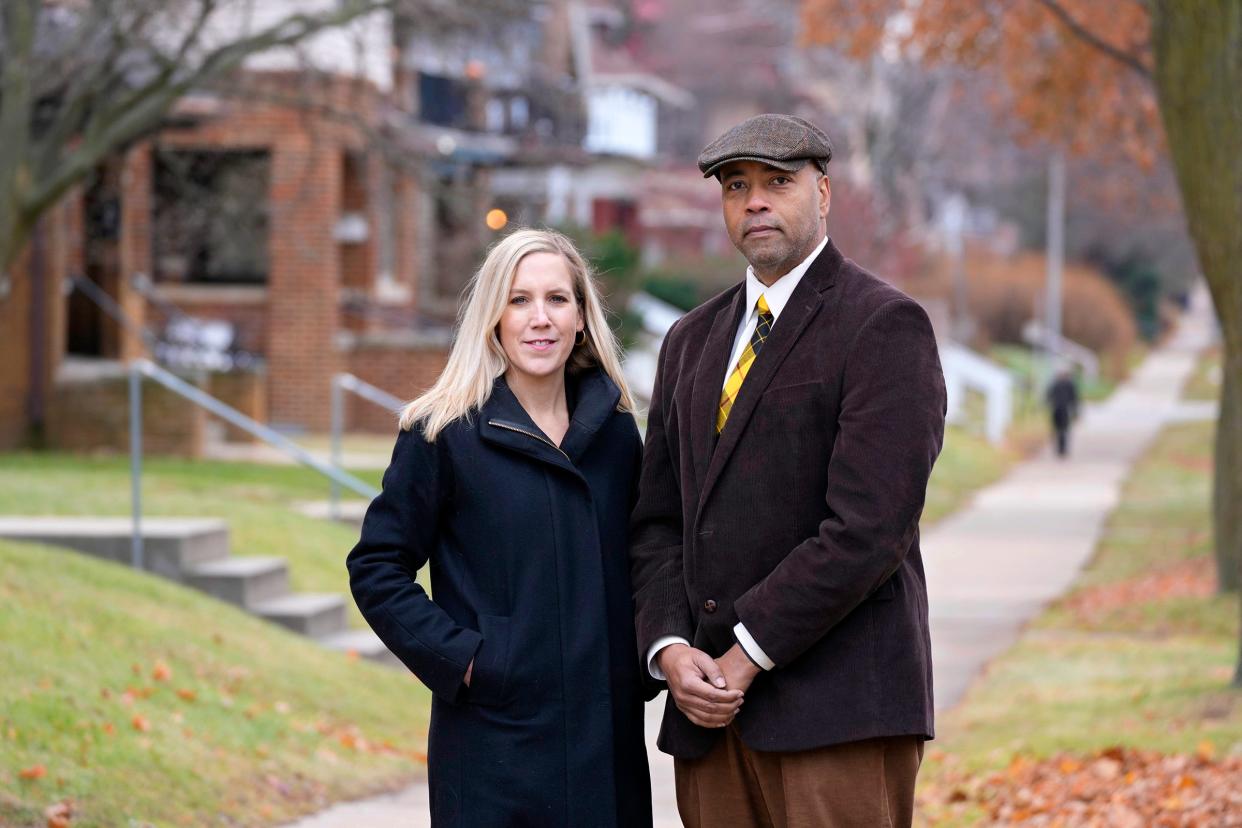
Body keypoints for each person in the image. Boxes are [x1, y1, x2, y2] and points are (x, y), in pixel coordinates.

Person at [630, 113, 947, 827]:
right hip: (709, 721)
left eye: (778, 182)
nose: (756, 202)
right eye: (736, 186)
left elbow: (868, 529)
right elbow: (657, 523)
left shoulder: (884, 326)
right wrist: (670, 649)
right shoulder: (688, 341)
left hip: (839, 714)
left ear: (825, 193)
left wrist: (745, 653)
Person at [348, 228, 652, 827]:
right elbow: (377, 568)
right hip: (495, 747)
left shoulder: (617, 434)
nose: (540, 318)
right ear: (493, 318)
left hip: (605, 742)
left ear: (583, 317)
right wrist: (467, 661)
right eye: (519, 300)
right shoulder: (443, 434)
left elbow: (644, 557)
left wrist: (642, 660)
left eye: (557, 299)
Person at [1047, 368, 1080, 458]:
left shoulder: (1056, 384)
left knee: (1060, 430)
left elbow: (1048, 397)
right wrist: (1075, 411)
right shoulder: (1068, 385)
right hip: (1062, 410)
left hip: (1059, 409)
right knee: (1062, 430)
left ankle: (1061, 449)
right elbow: (1074, 399)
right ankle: (1062, 449)